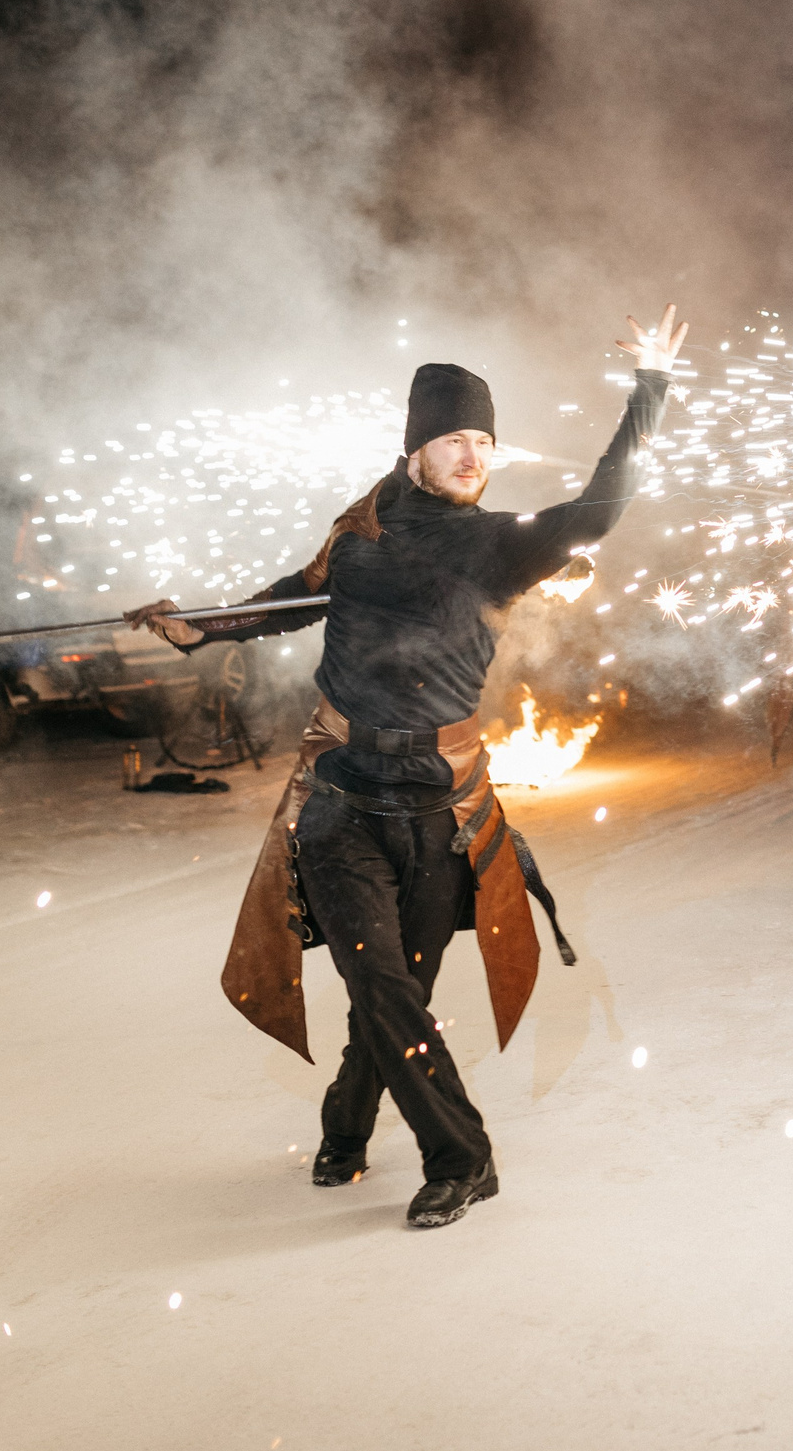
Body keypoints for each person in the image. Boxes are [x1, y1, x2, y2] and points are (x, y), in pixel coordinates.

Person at [126, 306, 683, 1228]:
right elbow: (290, 600)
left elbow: (600, 509)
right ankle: (463, 1158)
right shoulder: (363, 528)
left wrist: (650, 388)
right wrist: (197, 626)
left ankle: (346, 1127)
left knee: (399, 995)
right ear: (415, 449)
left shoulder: (502, 544)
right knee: (381, 984)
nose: (472, 458)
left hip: (441, 809)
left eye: (484, 442)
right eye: (453, 440)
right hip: (342, 801)